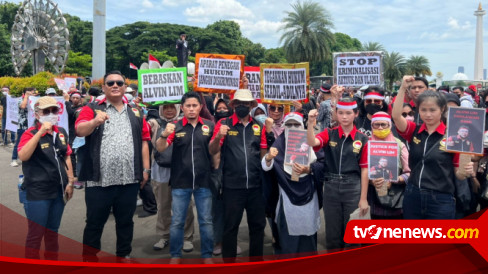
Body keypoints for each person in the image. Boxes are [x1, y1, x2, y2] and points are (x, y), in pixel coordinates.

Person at [75, 71, 151, 262]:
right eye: (110, 83)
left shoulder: (136, 111)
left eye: (119, 82)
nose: (115, 85)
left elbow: (144, 141)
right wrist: (94, 121)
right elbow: (79, 130)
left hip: (129, 179)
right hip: (98, 180)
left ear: (125, 87)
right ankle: (90, 259)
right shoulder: (92, 109)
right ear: (104, 88)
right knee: (94, 223)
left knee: (125, 221)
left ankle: (123, 255)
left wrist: (146, 169)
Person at [392, 75, 473, 219]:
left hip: (440, 200)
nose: (428, 114)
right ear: (418, 109)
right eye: (423, 110)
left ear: (442, 109)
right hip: (413, 196)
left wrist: (466, 170)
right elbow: (397, 116)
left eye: (432, 110)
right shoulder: (414, 131)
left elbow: (459, 174)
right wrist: (403, 88)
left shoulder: (452, 137)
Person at [209, 89, 272, 262]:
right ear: (233, 105)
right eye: (239, 103)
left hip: (255, 187)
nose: (242, 106)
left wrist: (271, 156)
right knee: (230, 228)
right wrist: (217, 138)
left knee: (258, 227)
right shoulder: (224, 124)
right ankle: (229, 264)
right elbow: (213, 150)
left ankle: (256, 263)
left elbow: (263, 157)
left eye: (246, 104)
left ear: (252, 106)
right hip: (232, 187)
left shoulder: (258, 127)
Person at [156, 92, 215, 264]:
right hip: (180, 182)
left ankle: (207, 255)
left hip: (204, 181)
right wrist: (164, 134)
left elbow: (215, 151)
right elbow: (160, 148)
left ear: (200, 107)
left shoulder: (209, 126)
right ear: (182, 108)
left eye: (194, 105)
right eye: (187, 106)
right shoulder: (175, 126)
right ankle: (175, 254)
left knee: (205, 221)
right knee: (177, 221)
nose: (191, 109)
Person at [307, 95, 369, 250]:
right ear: (336, 113)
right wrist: (310, 123)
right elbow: (312, 142)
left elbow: (365, 169)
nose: (344, 116)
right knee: (333, 235)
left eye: (349, 113)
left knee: (353, 235)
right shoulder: (330, 133)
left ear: (356, 114)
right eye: (341, 113)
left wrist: (363, 199)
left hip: (353, 188)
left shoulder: (363, 139)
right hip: (331, 187)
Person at [18, 96, 74, 260]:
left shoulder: (61, 132)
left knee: (52, 232)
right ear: (37, 115)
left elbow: (67, 156)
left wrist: (70, 181)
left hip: (58, 191)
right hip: (38, 192)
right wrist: (41, 132)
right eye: (46, 111)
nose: (51, 114)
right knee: (36, 234)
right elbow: (23, 155)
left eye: (54, 110)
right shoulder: (30, 133)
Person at [262, 112, 321, 258]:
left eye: (296, 124)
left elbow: (322, 164)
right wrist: (269, 158)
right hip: (287, 196)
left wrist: (309, 169)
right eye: (289, 125)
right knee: (288, 236)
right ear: (283, 127)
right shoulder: (279, 144)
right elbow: (265, 167)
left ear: (302, 126)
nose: (293, 128)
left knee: (308, 235)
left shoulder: (311, 141)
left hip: (308, 194)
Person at [147, 104, 195, 253]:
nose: (169, 110)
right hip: (160, 172)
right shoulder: (154, 123)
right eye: (166, 107)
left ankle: (187, 237)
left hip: (182, 171)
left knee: (185, 207)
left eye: (172, 108)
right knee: (163, 206)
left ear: (178, 109)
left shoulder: (184, 123)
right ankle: (164, 235)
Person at [368, 112, 410, 219]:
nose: (380, 128)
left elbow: (410, 173)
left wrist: (395, 179)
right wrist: (370, 181)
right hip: (370, 198)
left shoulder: (399, 145)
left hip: (394, 199)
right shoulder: (366, 144)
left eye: (383, 124)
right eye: (376, 125)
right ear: (371, 126)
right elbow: (359, 170)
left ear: (390, 125)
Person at [11, 87, 35, 167]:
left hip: (31, 125)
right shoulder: (20, 100)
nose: (32, 94)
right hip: (22, 125)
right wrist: (26, 97)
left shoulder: (33, 100)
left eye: (33, 92)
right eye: (30, 92)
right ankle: (14, 159)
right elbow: (23, 106)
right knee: (19, 142)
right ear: (25, 93)